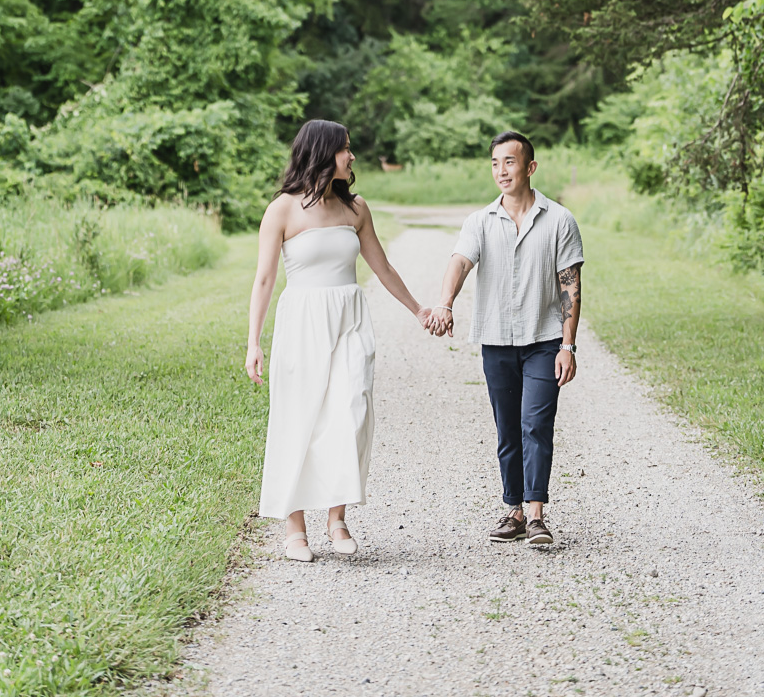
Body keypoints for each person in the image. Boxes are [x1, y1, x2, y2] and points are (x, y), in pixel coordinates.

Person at [245, 119, 431, 562]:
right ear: (322, 153)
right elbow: (266, 278)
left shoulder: (356, 208)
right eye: (345, 149)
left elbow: (382, 267)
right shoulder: (283, 210)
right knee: (300, 417)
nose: (351, 157)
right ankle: (294, 528)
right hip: (303, 322)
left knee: (351, 410)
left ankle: (337, 517)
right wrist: (253, 342)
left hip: (349, 318)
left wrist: (419, 309)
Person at [428, 131, 583, 547]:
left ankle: (535, 515)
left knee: (536, 423)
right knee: (507, 428)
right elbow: (460, 261)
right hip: (496, 340)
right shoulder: (480, 221)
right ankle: (512, 510)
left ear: (530, 167)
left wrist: (568, 345)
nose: (502, 171)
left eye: (510, 162)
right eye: (496, 163)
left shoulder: (559, 220)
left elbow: (570, 284)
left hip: (544, 339)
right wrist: (445, 303)